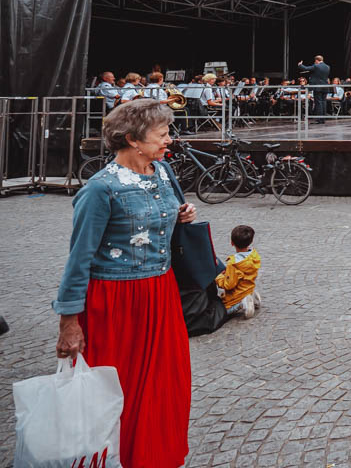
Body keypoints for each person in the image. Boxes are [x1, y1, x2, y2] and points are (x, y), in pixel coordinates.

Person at [53, 99, 195, 468]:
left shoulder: (163, 172)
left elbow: (163, 217)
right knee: (118, 391)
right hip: (116, 301)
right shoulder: (101, 189)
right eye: (162, 134)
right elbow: (79, 258)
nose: (169, 140)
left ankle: (154, 457)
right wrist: (69, 321)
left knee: (163, 385)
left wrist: (180, 217)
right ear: (132, 139)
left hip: (160, 294)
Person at [216, 224, 262, 318]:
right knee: (246, 291)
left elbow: (228, 285)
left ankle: (242, 303)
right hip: (248, 287)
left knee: (224, 311)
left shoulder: (233, 264)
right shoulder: (254, 255)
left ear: (232, 243)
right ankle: (251, 295)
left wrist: (218, 277)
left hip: (237, 294)